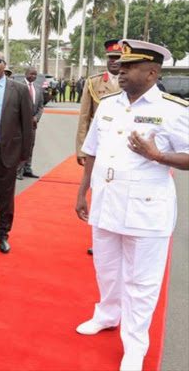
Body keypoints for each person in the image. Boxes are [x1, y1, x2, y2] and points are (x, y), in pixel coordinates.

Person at [75, 39, 189, 371]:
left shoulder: (174, 110)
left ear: (152, 72)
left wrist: (158, 156)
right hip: (106, 202)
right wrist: (82, 192)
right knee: (107, 270)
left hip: (146, 209)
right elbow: (92, 149)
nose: (120, 70)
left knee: (142, 281)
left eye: (129, 66)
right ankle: (107, 315)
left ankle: (135, 346)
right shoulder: (109, 104)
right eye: (120, 65)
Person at [0, 51, 33, 254]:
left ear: (4, 64)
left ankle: (3, 235)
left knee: (6, 198)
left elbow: (27, 124)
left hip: (8, 151)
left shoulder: (17, 89)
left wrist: (25, 154)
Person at [76, 39, 122, 168]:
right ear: (106, 59)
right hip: (100, 140)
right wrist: (81, 149)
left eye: (118, 58)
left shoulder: (132, 82)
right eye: (111, 58)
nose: (114, 61)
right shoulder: (94, 82)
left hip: (124, 141)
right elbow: (84, 118)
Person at [17, 66, 43, 180]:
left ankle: (28, 168)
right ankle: (18, 170)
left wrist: (37, 117)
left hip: (33, 124)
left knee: (30, 145)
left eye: (35, 74)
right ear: (26, 74)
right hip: (20, 124)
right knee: (21, 146)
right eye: (31, 74)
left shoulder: (38, 88)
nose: (34, 76)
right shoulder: (19, 86)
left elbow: (41, 105)